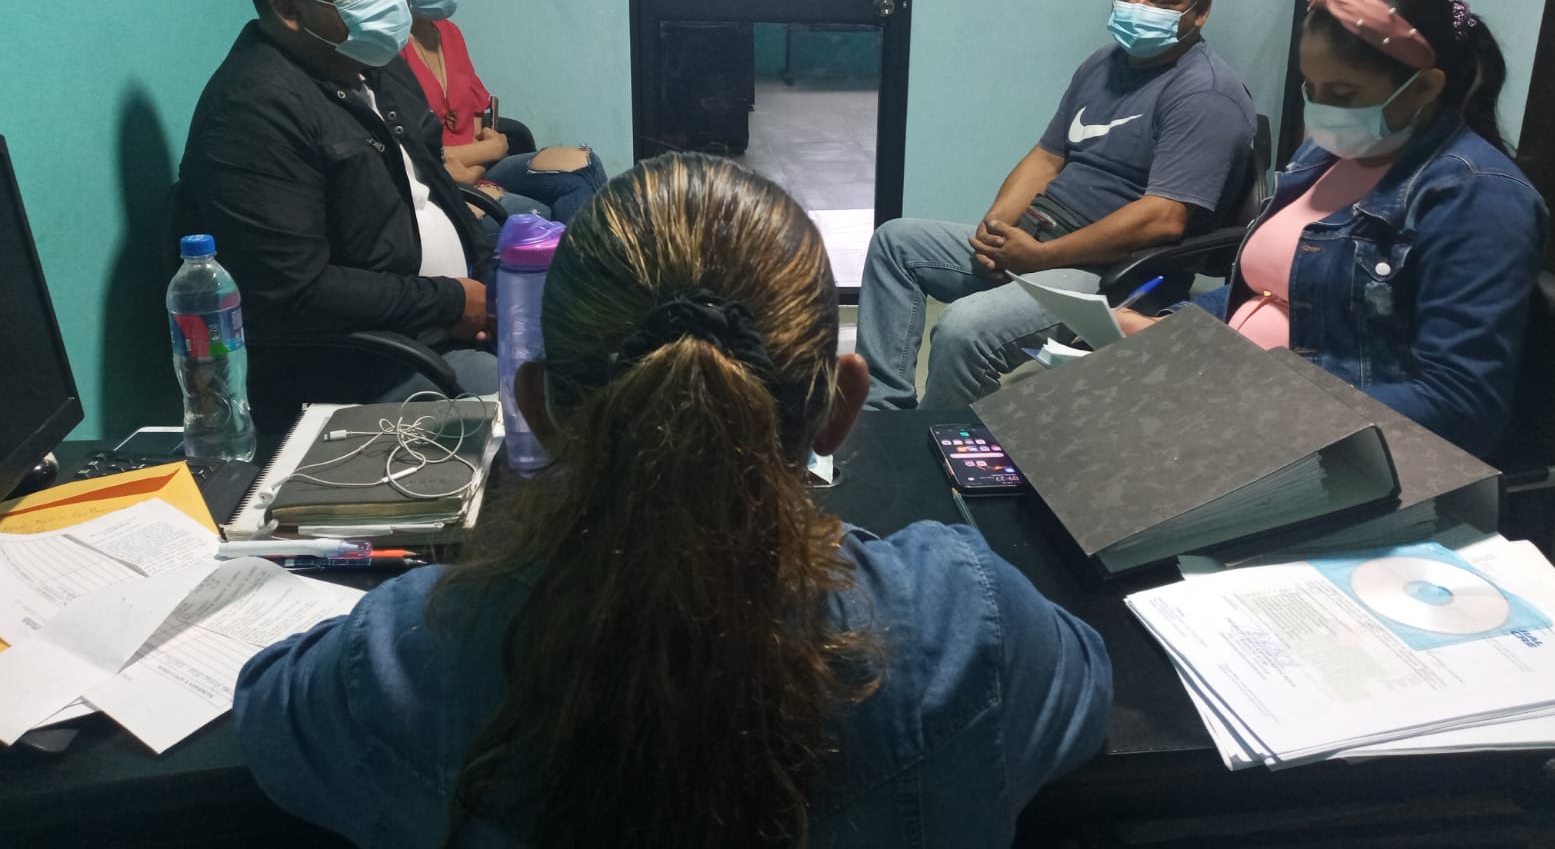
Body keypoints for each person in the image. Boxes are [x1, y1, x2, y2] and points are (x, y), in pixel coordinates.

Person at [233, 154, 1112, 849]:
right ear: (842, 407)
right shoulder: (965, 621)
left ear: (538, 407)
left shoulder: (408, 654)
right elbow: (1086, 681)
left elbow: (267, 710)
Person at [1117, 0, 1547, 461]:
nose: (1320, 110)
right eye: (1312, 87)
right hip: (1234, 400)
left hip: (1333, 450)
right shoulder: (1325, 156)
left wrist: (1261, 399)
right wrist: (1169, 329)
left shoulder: (1478, 196)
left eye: (1343, 94)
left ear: (1424, 88)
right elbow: (1265, 289)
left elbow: (1460, 405)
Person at [857, 0, 1256, 410]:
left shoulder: (1206, 95)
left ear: (1201, 9)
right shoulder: (1103, 64)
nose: (1140, 9)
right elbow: (1046, 157)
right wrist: (996, 228)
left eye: (1161, 1)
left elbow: (1163, 218)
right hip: (1038, 240)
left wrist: (1042, 257)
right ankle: (881, 415)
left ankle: (939, 447)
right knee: (896, 243)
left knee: (963, 329)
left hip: (1109, 273)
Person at [178, 0, 496, 405]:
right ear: (289, 8)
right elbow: (298, 291)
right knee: (552, 404)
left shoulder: (372, 60)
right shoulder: (252, 113)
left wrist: (497, 275)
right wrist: (450, 303)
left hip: (448, 323)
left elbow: (433, 184)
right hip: (377, 365)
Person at [378, 0, 606, 225]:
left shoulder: (450, 34)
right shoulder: (389, 52)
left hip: (476, 169)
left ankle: (591, 256)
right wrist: (490, 151)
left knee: (583, 167)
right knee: (535, 216)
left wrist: (478, 163)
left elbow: (477, 122)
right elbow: (413, 155)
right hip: (434, 183)